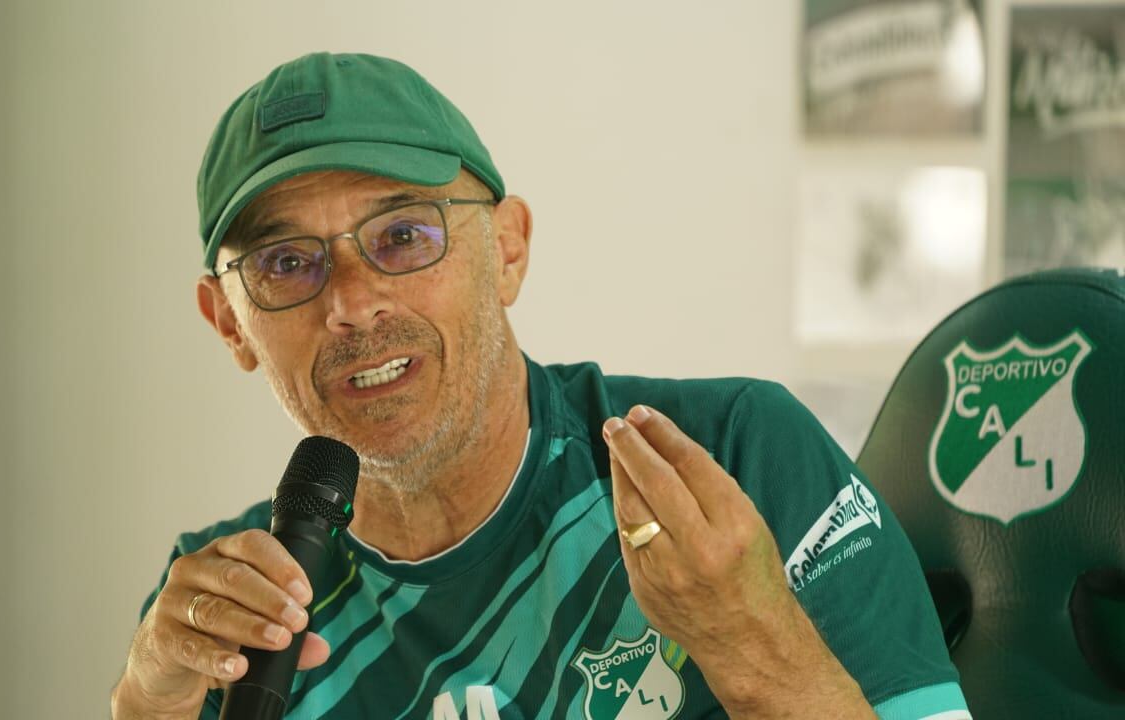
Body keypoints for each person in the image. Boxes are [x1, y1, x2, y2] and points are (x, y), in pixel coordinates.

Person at [110, 52, 972, 720]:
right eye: (286, 263)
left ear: (509, 250)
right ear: (229, 324)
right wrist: (146, 703)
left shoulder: (735, 458)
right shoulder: (230, 610)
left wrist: (753, 646)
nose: (352, 303)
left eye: (403, 235)